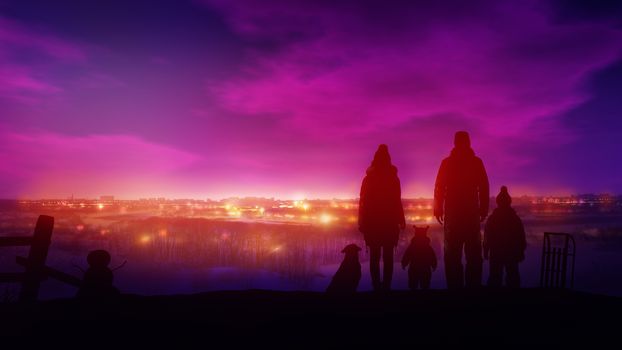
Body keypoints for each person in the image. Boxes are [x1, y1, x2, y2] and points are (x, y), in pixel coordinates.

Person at [434, 131, 489, 288]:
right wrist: (483, 209)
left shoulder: (447, 163)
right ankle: (473, 289)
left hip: (453, 215)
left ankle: (454, 289)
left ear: (454, 143)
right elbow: (484, 187)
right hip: (471, 214)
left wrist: (438, 208)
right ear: (469, 142)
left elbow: (439, 187)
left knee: (452, 255)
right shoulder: (476, 162)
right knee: (473, 255)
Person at [359, 144, 406, 291]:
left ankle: (376, 287)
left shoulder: (368, 179)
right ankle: (386, 287)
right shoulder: (393, 178)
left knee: (374, 256)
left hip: (373, 223)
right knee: (388, 257)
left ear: (374, 160)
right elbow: (397, 201)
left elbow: (363, 202)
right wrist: (401, 219)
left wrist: (362, 222)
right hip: (389, 223)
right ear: (388, 159)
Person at [483, 186, 527, 288]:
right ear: (509, 202)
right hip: (511, 252)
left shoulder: (493, 219)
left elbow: (487, 236)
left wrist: (485, 250)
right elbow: (521, 236)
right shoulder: (515, 219)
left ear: (498, 202)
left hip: (496, 252)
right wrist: (521, 251)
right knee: (512, 277)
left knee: (495, 277)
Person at [401, 225, 437, 290]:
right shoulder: (427, 247)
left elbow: (407, 255)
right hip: (425, 268)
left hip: (414, 268)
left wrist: (404, 263)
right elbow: (432, 256)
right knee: (424, 285)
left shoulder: (412, 246)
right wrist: (434, 264)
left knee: (413, 285)